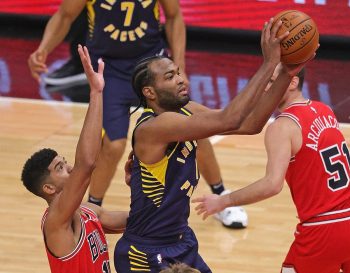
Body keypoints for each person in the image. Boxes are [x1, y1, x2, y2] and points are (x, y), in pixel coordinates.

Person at [27, 0, 248, 228]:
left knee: (195, 127)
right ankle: (92, 212)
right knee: (113, 146)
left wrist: (178, 66)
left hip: (152, 66)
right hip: (110, 69)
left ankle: (222, 197)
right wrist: (43, 49)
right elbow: (64, 15)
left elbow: (174, 16)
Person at [113, 19, 308, 273]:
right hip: (146, 252)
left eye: (179, 72)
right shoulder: (155, 127)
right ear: (150, 92)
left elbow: (249, 124)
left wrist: (286, 73)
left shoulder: (185, 110)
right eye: (170, 77)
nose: (181, 80)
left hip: (181, 240)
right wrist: (269, 63)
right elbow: (230, 118)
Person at [193, 63, 350, 273]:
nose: (267, 88)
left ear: (293, 82)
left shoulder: (282, 127)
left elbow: (272, 184)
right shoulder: (325, 110)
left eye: (273, 82)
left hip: (323, 229)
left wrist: (224, 201)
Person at [22, 45, 128, 273]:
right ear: (49, 188)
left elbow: (131, 221)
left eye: (65, 162)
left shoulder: (87, 210)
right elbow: (87, 164)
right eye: (60, 167)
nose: (70, 168)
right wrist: (96, 93)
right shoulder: (56, 221)